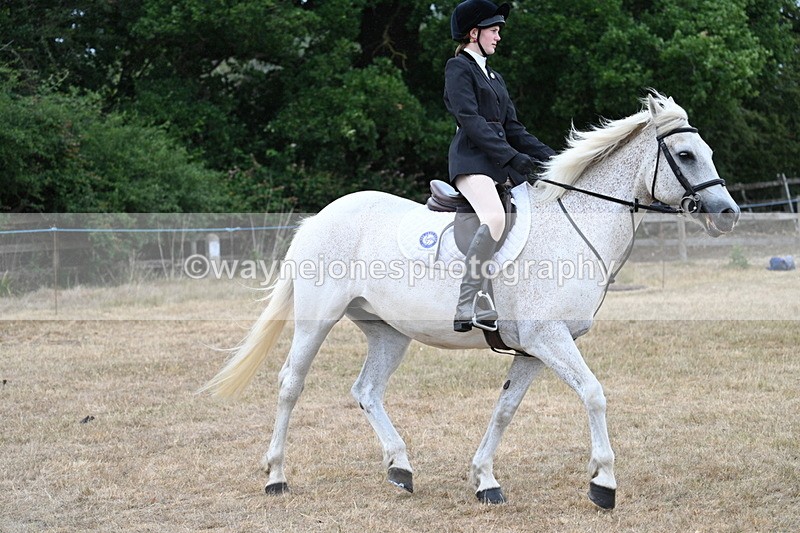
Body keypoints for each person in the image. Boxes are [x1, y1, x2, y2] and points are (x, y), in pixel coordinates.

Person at [445, 0, 556, 332]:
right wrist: (511, 156)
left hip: (499, 162)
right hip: (471, 161)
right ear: (473, 34)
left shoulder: (495, 76)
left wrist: (551, 158)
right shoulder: (458, 68)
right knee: (495, 217)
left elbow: (514, 128)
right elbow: (471, 121)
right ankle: (467, 303)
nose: (498, 37)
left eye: (498, 31)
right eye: (493, 30)